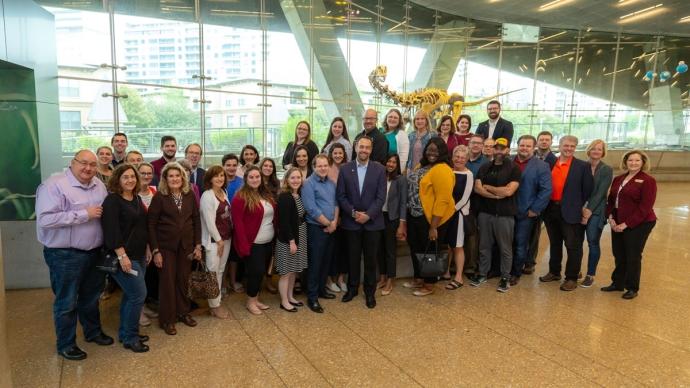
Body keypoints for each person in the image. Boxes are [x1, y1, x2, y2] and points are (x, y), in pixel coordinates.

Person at [36, 150, 111, 361]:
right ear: (72, 163)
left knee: (91, 297)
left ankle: (93, 332)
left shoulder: (99, 184)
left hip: (95, 253)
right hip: (65, 255)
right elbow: (45, 220)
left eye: (92, 165)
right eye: (83, 163)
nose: (88, 168)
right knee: (66, 302)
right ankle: (66, 344)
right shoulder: (53, 185)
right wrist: (84, 214)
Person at [101, 164, 151, 353]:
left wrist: (147, 248)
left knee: (131, 295)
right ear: (118, 180)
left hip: (139, 255)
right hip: (124, 257)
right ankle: (131, 337)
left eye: (132, 176)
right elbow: (111, 231)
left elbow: (142, 227)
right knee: (138, 295)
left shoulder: (136, 198)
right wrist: (122, 256)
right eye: (125, 177)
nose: (130, 180)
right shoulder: (112, 201)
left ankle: (125, 333)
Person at [148, 162, 202, 335]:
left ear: (183, 177)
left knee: (183, 280)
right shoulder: (159, 197)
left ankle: (183, 313)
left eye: (177, 175)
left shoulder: (189, 194)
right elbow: (151, 225)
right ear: (165, 178)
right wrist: (155, 250)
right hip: (166, 247)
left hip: (186, 246)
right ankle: (167, 319)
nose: (174, 179)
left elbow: (196, 220)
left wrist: (198, 245)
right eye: (170, 176)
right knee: (167, 282)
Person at [400, 137, 455, 296]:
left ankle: (429, 284)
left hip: (431, 218)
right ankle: (418, 278)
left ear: (442, 152)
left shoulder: (443, 169)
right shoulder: (422, 165)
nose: (432, 153)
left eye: (436, 150)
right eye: (429, 149)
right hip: (415, 214)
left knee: (430, 250)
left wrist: (433, 226)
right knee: (416, 247)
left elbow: (443, 200)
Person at [539, 135, 593, 291]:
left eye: (572, 146)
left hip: (571, 211)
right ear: (559, 146)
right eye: (566, 145)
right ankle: (554, 272)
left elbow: (588, 190)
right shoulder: (549, 163)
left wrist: (582, 209)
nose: (569, 148)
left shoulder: (582, 166)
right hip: (550, 209)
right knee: (554, 243)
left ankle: (571, 277)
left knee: (573, 245)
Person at [337, 136, 386, 308]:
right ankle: (352, 289)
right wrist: (352, 213)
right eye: (361, 147)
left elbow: (381, 197)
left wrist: (368, 215)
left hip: (373, 223)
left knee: (371, 260)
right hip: (351, 223)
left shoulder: (379, 170)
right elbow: (341, 196)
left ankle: (370, 293)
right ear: (356, 148)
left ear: (371, 150)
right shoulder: (345, 169)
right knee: (353, 258)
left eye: (367, 147)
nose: (364, 150)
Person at [602, 150, 656, 300]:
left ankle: (632, 287)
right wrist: (611, 217)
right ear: (625, 162)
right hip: (617, 221)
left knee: (632, 255)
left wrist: (626, 224)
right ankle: (617, 283)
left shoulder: (647, 180)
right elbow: (611, 201)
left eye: (637, 160)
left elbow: (645, 207)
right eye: (630, 160)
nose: (633, 163)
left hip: (640, 223)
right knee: (619, 254)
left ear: (643, 163)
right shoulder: (618, 179)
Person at [470, 138, 521, 292]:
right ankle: (483, 273)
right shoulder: (485, 167)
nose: (499, 151)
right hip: (485, 214)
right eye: (496, 148)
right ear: (492, 150)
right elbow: (478, 188)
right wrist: (496, 194)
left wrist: (489, 187)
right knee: (484, 246)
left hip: (505, 215)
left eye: (502, 148)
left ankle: (505, 277)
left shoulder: (514, 168)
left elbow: (509, 191)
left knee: (505, 248)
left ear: (507, 150)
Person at [231, 166, 276, 315]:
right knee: (255, 272)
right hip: (253, 244)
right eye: (251, 177)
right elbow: (238, 224)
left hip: (268, 242)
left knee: (261, 272)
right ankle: (250, 302)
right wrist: (244, 246)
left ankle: (256, 299)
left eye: (257, 177)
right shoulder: (240, 197)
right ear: (246, 179)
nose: (255, 179)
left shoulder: (266, 194)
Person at [510, 135, 552, 286]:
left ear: (533, 148)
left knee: (521, 244)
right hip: (506, 211)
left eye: (528, 146)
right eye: (522, 145)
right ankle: (502, 269)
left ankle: (515, 273)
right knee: (505, 243)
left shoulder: (541, 166)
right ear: (517, 145)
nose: (524, 148)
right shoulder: (509, 160)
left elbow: (546, 190)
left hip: (525, 212)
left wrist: (535, 209)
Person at [302, 155, 340, 312]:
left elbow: (336, 204)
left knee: (326, 261)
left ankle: (322, 290)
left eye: (325, 165)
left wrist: (334, 222)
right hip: (316, 229)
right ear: (314, 167)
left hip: (331, 228)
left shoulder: (331, 183)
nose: (323, 168)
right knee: (315, 264)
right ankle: (312, 297)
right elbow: (311, 208)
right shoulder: (308, 184)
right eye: (320, 166)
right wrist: (328, 223)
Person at [199, 165, 232, 319]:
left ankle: (216, 300)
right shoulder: (207, 195)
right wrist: (218, 241)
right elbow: (209, 222)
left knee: (220, 271)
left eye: (222, 176)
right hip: (214, 241)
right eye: (216, 176)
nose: (220, 178)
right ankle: (214, 306)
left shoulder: (223, 193)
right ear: (209, 179)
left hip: (226, 239)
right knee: (212, 273)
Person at [580, 139, 613, 288]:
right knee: (576, 242)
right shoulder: (581, 166)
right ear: (589, 150)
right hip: (578, 209)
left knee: (593, 242)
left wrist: (588, 210)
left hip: (596, 211)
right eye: (594, 148)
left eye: (599, 149)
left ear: (603, 152)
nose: (596, 151)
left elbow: (601, 193)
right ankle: (575, 270)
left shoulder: (606, 169)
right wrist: (581, 208)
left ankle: (590, 275)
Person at [523, 130, 557, 275]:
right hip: (527, 200)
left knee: (535, 234)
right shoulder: (528, 157)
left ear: (551, 142)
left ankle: (530, 262)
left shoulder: (555, 161)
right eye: (541, 139)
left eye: (547, 140)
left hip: (545, 203)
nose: (544, 142)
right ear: (537, 142)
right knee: (526, 233)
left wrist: (538, 206)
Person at [275, 168, 308, 312]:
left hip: (300, 235)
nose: (296, 180)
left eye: (298, 177)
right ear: (287, 180)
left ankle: (290, 296)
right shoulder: (285, 196)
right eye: (292, 178)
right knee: (286, 272)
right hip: (289, 239)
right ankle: (284, 301)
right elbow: (284, 222)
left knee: (294, 270)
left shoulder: (299, 195)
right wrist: (292, 241)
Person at [444, 146, 474, 290]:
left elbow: (464, 198)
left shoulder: (469, 175)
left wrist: (451, 210)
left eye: (463, 157)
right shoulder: (448, 171)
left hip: (458, 214)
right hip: (446, 213)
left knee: (457, 246)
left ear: (467, 159)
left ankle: (459, 277)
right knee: (448, 245)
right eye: (457, 156)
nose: (459, 159)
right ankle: (445, 272)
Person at [377, 154, 407, 296]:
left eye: (394, 162)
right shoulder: (380, 177)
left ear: (397, 165)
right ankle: (382, 277)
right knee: (379, 249)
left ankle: (390, 280)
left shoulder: (400, 180)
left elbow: (402, 203)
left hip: (392, 218)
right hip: (378, 217)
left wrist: (402, 224)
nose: (390, 164)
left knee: (390, 251)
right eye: (388, 161)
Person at [326, 143, 349, 292]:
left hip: (346, 214)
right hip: (330, 214)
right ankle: (329, 279)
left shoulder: (348, 168)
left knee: (344, 248)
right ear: (331, 154)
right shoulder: (326, 169)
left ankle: (341, 278)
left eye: (340, 153)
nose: (338, 155)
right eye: (335, 153)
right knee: (330, 248)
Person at [221, 153, 244, 294]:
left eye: (234, 165)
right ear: (223, 166)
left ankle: (233, 281)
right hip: (222, 225)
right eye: (228, 165)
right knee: (223, 257)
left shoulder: (242, 182)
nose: (231, 168)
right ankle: (222, 283)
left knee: (234, 256)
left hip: (237, 224)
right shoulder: (219, 181)